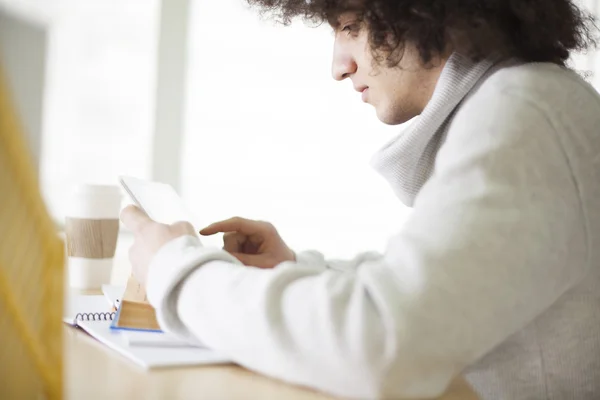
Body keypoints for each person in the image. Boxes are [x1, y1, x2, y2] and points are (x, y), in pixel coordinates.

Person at [120, 0, 600, 399]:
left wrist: (177, 274)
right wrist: (291, 271)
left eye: (350, 26)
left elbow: (379, 346)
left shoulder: (523, 115)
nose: (338, 66)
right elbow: (427, 291)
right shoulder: (533, 102)